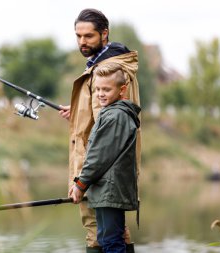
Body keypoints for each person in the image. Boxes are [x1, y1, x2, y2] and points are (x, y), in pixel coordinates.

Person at [59, 8, 141, 253]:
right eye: (78, 36)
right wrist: (77, 111)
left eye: (89, 36)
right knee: (113, 234)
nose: (82, 42)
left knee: (98, 234)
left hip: (99, 173)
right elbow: (100, 116)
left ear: (105, 34)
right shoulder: (108, 66)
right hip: (105, 173)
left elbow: (105, 133)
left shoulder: (107, 70)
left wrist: (82, 181)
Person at [69, 62, 140, 253]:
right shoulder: (110, 114)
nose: (100, 93)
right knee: (107, 238)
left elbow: (98, 157)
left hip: (110, 192)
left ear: (122, 90)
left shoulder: (115, 116)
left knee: (111, 241)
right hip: (106, 191)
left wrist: (80, 184)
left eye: (106, 89)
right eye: (98, 89)